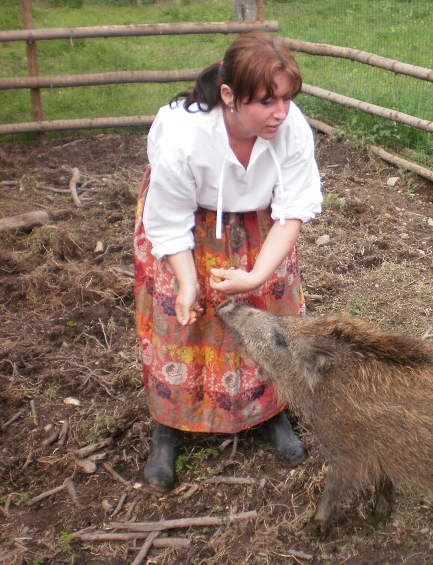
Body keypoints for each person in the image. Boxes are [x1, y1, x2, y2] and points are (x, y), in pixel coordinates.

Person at [134, 31, 323, 491]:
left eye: (287, 98)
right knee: (183, 320)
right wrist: (186, 282)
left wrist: (259, 273)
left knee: (267, 316)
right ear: (229, 96)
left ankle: (271, 413)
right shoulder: (184, 136)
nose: (281, 112)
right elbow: (168, 218)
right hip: (188, 226)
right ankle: (169, 426)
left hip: (261, 224)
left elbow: (293, 208)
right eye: (266, 101)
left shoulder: (291, 127)